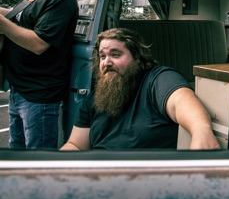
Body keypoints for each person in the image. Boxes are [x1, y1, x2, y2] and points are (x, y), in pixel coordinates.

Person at [61, 28, 220, 150]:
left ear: (137, 58)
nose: (106, 62)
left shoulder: (157, 79)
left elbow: (181, 101)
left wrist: (201, 131)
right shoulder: (94, 99)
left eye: (115, 55)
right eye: (103, 56)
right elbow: (76, 145)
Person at [0, 0, 78, 149]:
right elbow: (19, 16)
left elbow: (39, 43)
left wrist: (1, 23)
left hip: (39, 96)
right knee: (17, 155)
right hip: (19, 90)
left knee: (38, 159)